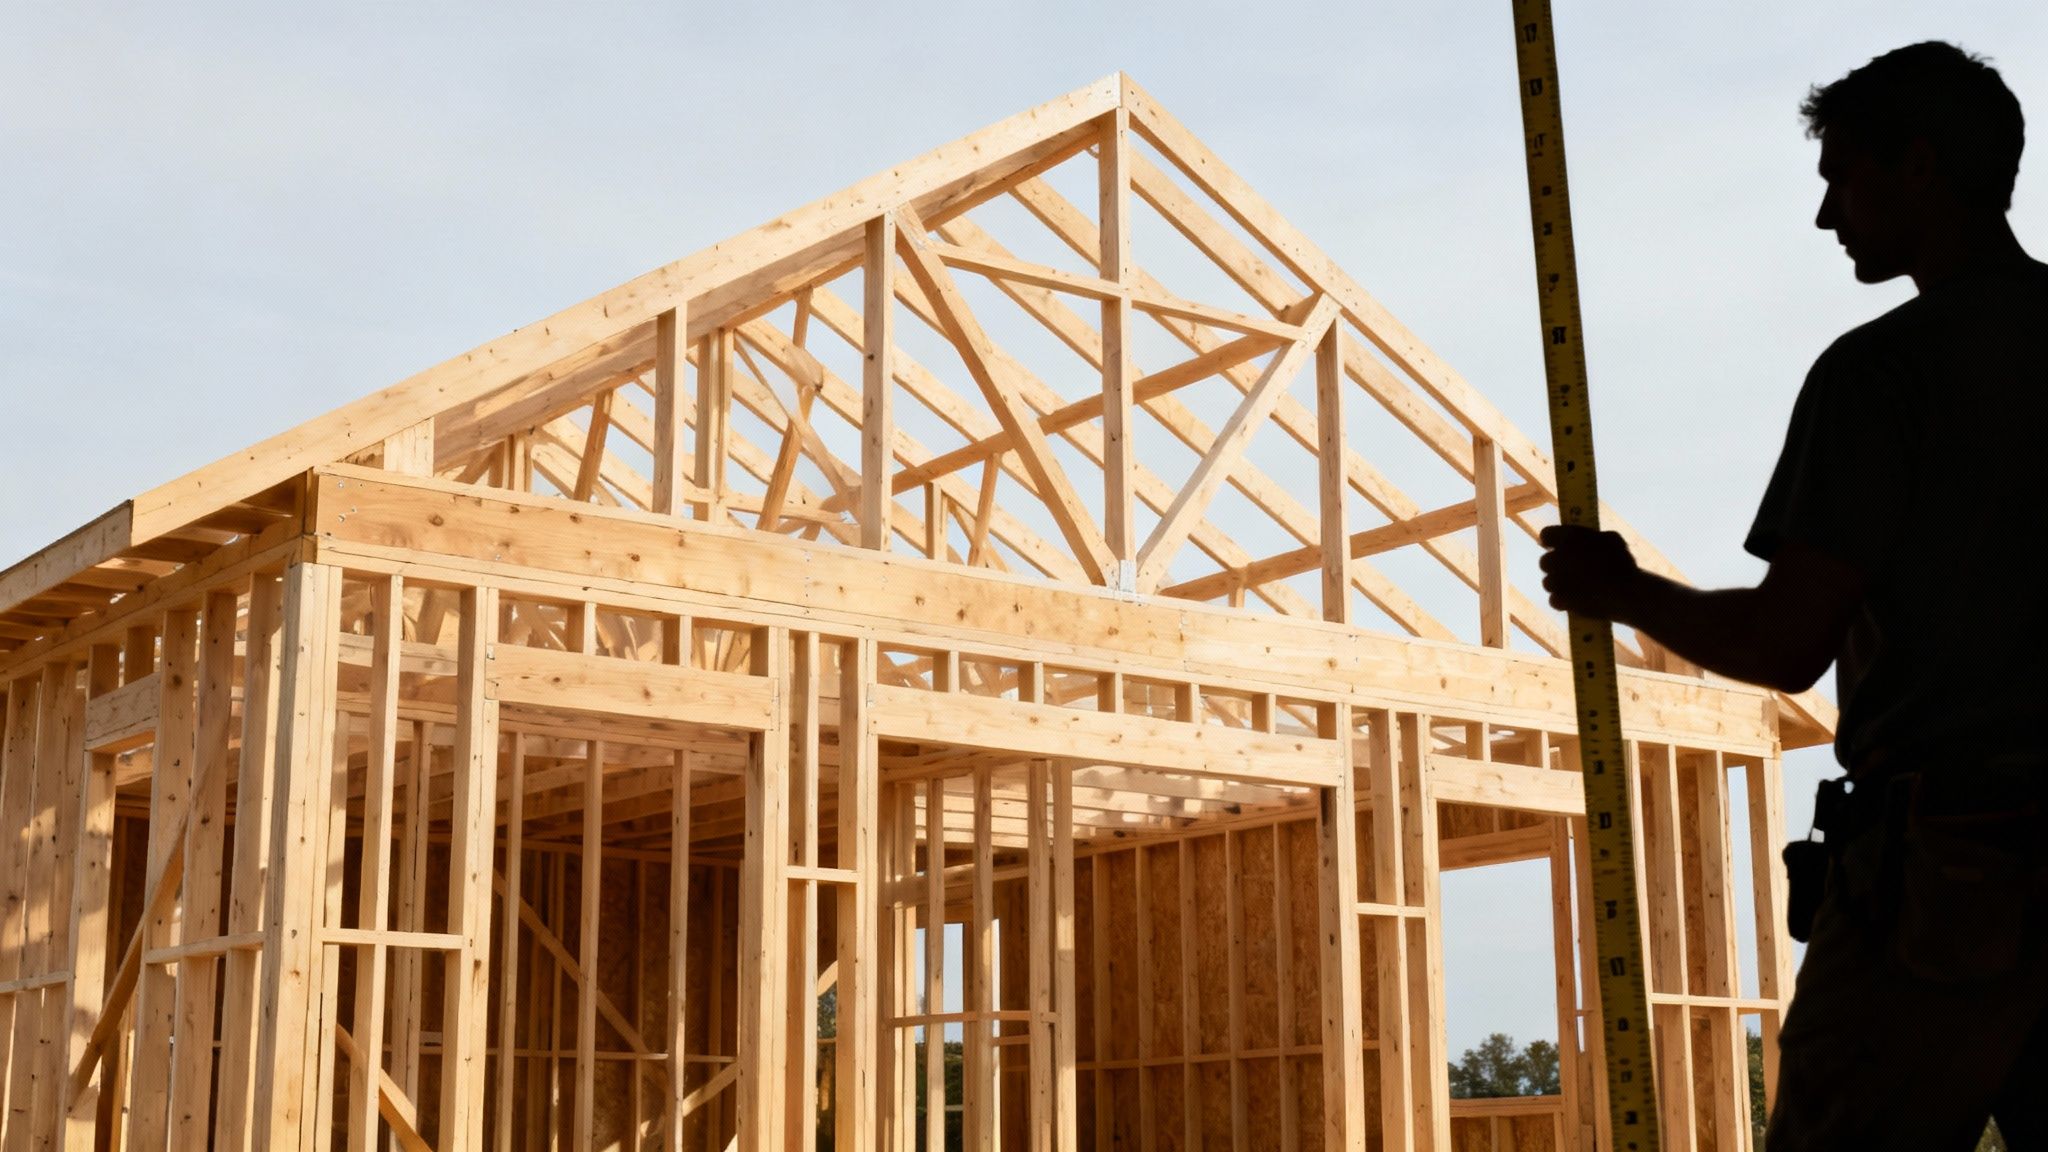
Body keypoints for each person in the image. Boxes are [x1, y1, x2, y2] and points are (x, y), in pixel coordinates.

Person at [1537, 41, 2047, 1150]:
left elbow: (1784, 643)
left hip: (1946, 889)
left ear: (1918, 167)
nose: (1826, 216)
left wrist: (1618, 590)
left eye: (1841, 178)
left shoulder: (1884, 372)